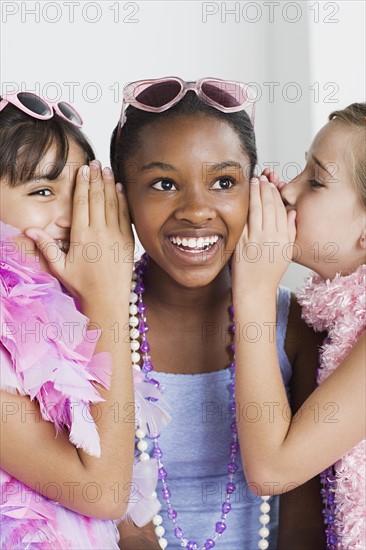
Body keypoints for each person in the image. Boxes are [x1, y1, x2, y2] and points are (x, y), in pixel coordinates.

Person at [110, 77, 326, 550]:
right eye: (163, 183)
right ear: (120, 196)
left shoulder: (298, 328)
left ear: (256, 191)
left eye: (224, 182)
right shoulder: (91, 325)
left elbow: (306, 520)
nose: (196, 210)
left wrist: (255, 294)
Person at [0, 91, 161, 549]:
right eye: (43, 192)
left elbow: (128, 513)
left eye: (81, 192)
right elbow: (104, 493)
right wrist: (109, 295)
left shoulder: (66, 322)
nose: (72, 216)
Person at [233, 103, 366, 549]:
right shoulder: (336, 320)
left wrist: (253, 291)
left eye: (316, 180)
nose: (287, 191)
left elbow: (271, 470)